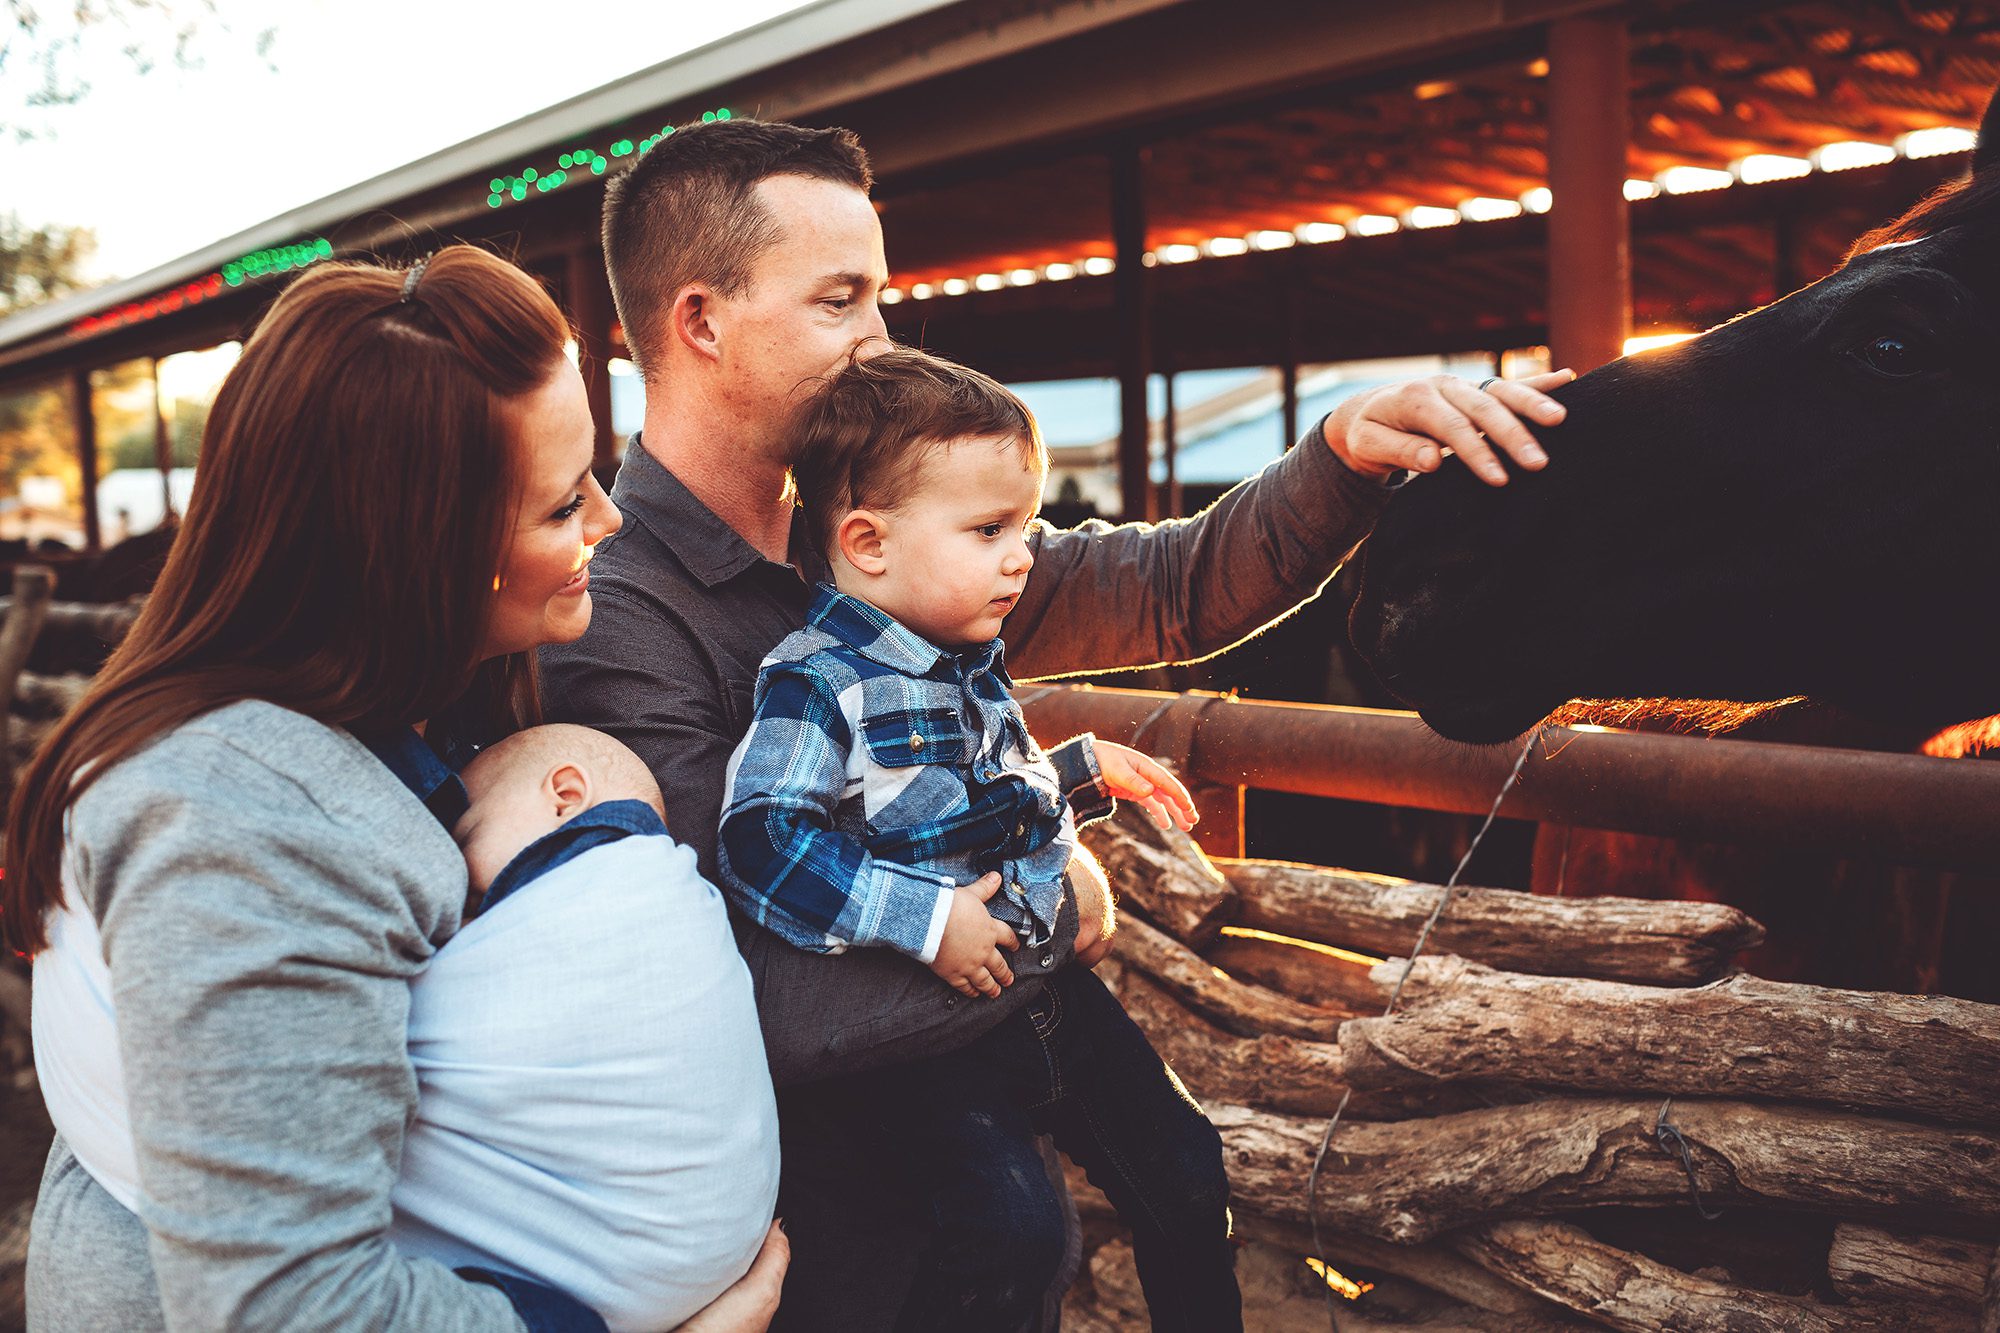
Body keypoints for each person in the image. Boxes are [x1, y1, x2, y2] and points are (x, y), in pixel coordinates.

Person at [539, 116, 1569, 1328]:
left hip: (990, 1225)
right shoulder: (613, 610)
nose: (880, 337)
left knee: (1176, 1179)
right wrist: (1053, 899)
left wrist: (1340, 457)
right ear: (700, 321)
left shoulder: (900, 529)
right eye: (838, 301)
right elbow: (743, 967)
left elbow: (1168, 584)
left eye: (879, 296)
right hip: (838, 1255)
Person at [12, 245, 785, 1333]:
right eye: (562, 506)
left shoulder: (432, 706)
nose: (607, 522)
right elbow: (290, 1307)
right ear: (432, 551)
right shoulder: (237, 826)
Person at [717, 347, 1241, 1331]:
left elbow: (978, 795)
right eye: (991, 529)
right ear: (867, 543)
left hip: (1048, 995)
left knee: (1184, 1165)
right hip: (933, 1033)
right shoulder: (815, 683)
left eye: (1026, 524)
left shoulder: (963, 654)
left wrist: (1076, 775)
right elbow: (761, 844)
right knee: (1009, 1229)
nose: (1023, 554)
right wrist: (924, 920)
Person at [391, 723, 779, 1333]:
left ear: (565, 797)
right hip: (711, 1258)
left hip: (585, 1287)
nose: (450, 886)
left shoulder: (632, 891)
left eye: (465, 835)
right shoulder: (674, 896)